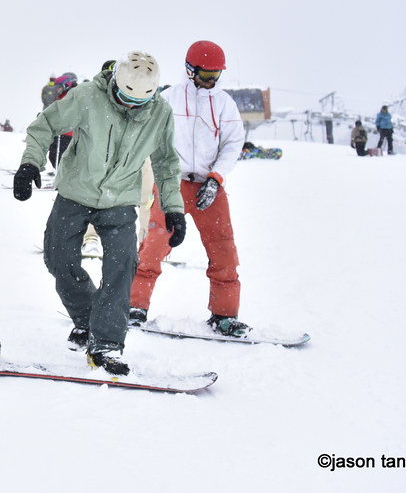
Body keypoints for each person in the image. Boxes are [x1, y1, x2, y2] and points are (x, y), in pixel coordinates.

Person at [13, 51, 184, 376]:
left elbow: (166, 162)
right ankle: (88, 319)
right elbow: (44, 124)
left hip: (120, 200)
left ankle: (106, 342)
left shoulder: (160, 112)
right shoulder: (88, 96)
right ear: (116, 84)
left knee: (121, 267)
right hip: (75, 193)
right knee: (58, 259)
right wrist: (29, 163)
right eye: (124, 99)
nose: (131, 108)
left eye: (139, 103)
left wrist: (174, 207)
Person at [129, 40, 249, 338]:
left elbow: (233, 144)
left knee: (223, 250)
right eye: (206, 76)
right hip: (173, 184)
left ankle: (224, 315)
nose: (211, 82)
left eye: (216, 76)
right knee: (154, 245)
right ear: (189, 70)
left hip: (210, 186)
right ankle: (134, 306)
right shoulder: (167, 99)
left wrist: (216, 178)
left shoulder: (224, 104)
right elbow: (150, 137)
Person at [47, 72, 78, 170]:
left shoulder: (70, 96)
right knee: (53, 156)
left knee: (59, 157)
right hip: (59, 132)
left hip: (67, 133)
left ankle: (66, 179)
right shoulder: (61, 96)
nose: (57, 89)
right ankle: (64, 177)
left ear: (66, 85)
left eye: (58, 87)